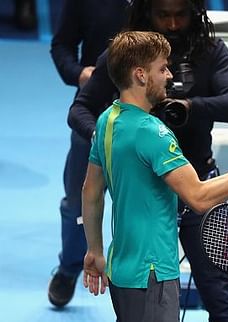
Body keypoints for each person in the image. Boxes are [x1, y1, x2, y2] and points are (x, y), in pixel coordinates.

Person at [67, 0, 228, 320]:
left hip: (127, 264)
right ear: (140, 74)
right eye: (163, 70)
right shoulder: (153, 132)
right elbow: (199, 196)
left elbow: (91, 191)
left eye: (180, 14)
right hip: (153, 269)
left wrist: (191, 106)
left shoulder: (110, 119)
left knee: (218, 295)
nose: (173, 23)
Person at [48, 0, 130, 308]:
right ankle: (70, 267)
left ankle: (139, 279)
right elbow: (62, 46)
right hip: (91, 115)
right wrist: (80, 74)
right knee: (77, 202)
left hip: (148, 120)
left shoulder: (161, 7)